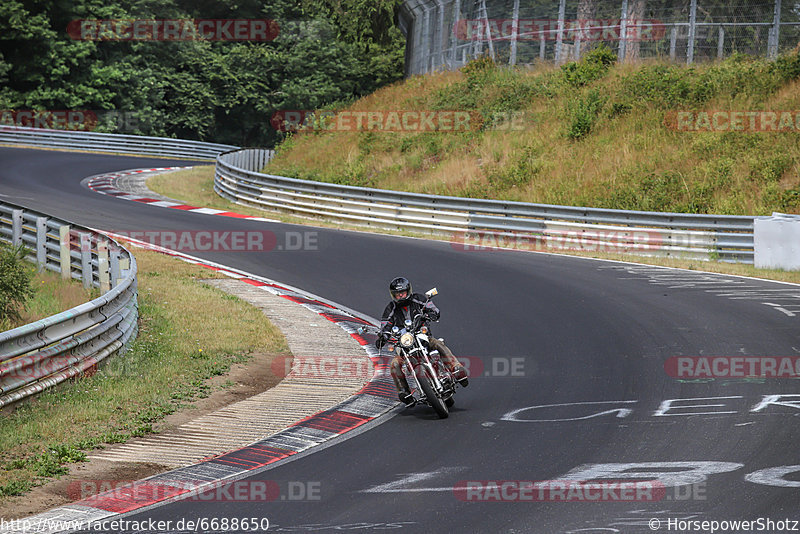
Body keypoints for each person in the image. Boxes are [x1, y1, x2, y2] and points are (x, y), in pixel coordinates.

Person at [375, 276, 468, 405]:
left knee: (437, 344)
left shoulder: (418, 298)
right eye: (397, 294)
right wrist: (383, 336)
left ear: (408, 291)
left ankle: (457, 369)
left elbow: (432, 308)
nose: (400, 296)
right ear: (393, 295)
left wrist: (432, 313)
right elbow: (385, 324)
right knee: (395, 363)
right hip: (404, 345)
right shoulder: (390, 308)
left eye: (402, 293)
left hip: (422, 337)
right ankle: (404, 392)